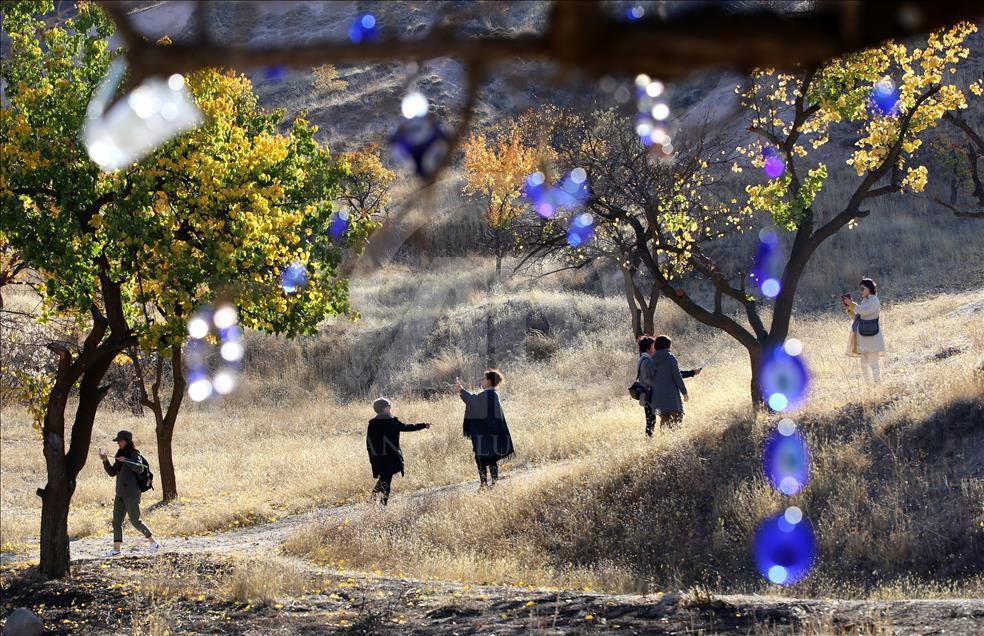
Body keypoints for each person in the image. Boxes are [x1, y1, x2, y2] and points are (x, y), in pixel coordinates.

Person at [99, 431, 160, 556]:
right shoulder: (120, 454)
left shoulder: (134, 454)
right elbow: (112, 472)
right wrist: (105, 460)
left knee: (135, 521)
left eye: (120, 441)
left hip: (132, 494)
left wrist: (126, 460)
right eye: (117, 441)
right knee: (116, 522)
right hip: (120, 493)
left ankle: (153, 542)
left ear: (127, 440)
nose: (118, 443)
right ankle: (116, 549)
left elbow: (139, 468)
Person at [454, 369, 514, 488]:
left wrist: (461, 390)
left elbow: (473, 401)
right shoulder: (493, 394)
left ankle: (484, 485)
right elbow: (475, 402)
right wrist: (462, 392)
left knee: (482, 459)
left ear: (489, 381)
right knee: (491, 459)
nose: (481, 380)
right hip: (489, 432)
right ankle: (493, 483)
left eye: (483, 378)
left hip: (485, 433)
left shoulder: (489, 394)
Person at [366, 398, 432, 505]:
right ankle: (381, 505)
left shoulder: (372, 423)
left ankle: (374, 501)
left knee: (384, 479)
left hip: (377, 456)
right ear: (385, 408)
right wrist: (423, 425)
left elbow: (368, 442)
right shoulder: (392, 422)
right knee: (386, 481)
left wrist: (372, 456)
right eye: (389, 406)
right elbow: (407, 427)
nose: (390, 408)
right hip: (390, 457)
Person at [637, 335, 700, 435]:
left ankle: (665, 441)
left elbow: (650, 377)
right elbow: (677, 377)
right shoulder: (670, 358)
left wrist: (657, 386)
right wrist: (684, 392)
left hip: (657, 399)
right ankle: (674, 443)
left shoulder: (651, 360)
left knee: (664, 421)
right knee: (677, 419)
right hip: (671, 397)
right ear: (667, 346)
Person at [844, 277, 886, 383]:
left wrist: (852, 305)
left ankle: (878, 386)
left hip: (872, 338)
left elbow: (865, 311)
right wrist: (850, 310)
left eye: (863, 288)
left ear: (869, 288)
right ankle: (869, 387)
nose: (861, 291)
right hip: (863, 338)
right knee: (863, 365)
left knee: (874, 364)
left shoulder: (874, 300)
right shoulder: (865, 301)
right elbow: (859, 317)